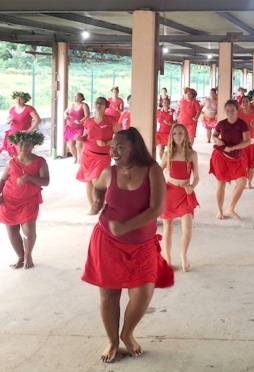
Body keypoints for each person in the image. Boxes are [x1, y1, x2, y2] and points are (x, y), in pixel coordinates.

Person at [81, 127, 174, 363]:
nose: (114, 150)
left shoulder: (152, 171)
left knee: (143, 293)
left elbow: (157, 209)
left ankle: (127, 333)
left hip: (141, 244)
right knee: (109, 294)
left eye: (120, 146)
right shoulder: (109, 172)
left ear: (135, 147)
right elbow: (98, 187)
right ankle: (112, 341)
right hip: (107, 241)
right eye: (112, 146)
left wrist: (126, 226)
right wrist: (96, 203)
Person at [0, 131, 49, 269]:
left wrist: (28, 177)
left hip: (28, 201)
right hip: (9, 200)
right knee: (12, 231)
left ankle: (28, 255)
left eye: (27, 144)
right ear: (15, 146)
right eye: (20, 144)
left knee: (28, 231)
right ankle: (20, 257)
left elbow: (45, 181)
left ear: (33, 145)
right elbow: (3, 179)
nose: (23, 147)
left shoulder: (40, 162)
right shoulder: (11, 163)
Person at [160, 124, 199, 272]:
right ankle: (168, 260)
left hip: (184, 193)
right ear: (171, 136)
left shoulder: (191, 154)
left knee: (187, 229)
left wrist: (192, 186)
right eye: (175, 133)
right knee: (167, 228)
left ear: (185, 135)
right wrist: (160, 185)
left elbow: (196, 177)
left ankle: (184, 254)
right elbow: (158, 171)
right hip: (169, 193)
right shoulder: (167, 154)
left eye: (181, 133)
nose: (177, 136)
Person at [76, 97, 121, 213]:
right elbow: (85, 136)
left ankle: (104, 205)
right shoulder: (88, 121)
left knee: (97, 180)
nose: (98, 105)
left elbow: (121, 137)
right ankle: (93, 207)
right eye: (96, 102)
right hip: (87, 154)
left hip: (102, 156)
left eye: (101, 103)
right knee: (89, 180)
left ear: (106, 106)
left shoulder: (110, 121)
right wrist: (80, 138)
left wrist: (106, 142)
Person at [209, 100, 251, 219]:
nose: (230, 113)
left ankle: (230, 208)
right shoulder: (221, 124)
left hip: (236, 157)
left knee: (242, 182)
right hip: (221, 156)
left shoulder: (242, 124)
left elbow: (247, 141)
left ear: (237, 110)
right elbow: (214, 135)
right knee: (221, 183)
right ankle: (220, 211)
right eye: (227, 110)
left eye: (232, 110)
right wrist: (219, 141)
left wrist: (233, 148)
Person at [2, 91, 41, 157]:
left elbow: (38, 120)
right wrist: (8, 121)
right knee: (13, 154)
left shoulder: (29, 109)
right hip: (13, 135)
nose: (18, 100)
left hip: (24, 135)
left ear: (25, 100)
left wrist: (29, 131)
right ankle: (15, 167)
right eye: (16, 98)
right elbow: (7, 120)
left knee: (23, 154)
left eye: (20, 98)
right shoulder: (12, 109)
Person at [64, 92, 90, 163]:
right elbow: (65, 112)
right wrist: (66, 115)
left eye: (76, 96)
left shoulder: (84, 105)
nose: (74, 98)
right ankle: (75, 158)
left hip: (80, 128)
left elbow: (87, 115)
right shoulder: (71, 105)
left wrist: (81, 121)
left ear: (81, 98)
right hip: (70, 127)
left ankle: (81, 159)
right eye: (74, 96)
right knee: (71, 144)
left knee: (79, 144)